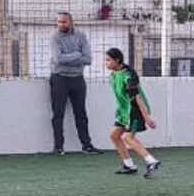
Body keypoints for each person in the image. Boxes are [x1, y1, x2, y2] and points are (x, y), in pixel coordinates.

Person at [47, 12, 101, 155]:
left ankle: (87, 145)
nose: (61, 25)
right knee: (58, 113)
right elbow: (58, 59)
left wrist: (70, 58)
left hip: (77, 79)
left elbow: (88, 59)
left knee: (81, 113)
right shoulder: (55, 37)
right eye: (59, 22)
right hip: (59, 78)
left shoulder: (81, 36)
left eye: (64, 22)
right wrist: (77, 55)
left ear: (71, 22)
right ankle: (58, 147)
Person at [105, 48, 161, 178]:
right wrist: (120, 110)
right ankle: (129, 165)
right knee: (114, 135)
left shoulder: (128, 77)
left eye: (108, 60)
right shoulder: (113, 75)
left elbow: (137, 98)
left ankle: (152, 161)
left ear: (117, 60)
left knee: (127, 137)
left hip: (135, 110)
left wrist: (146, 118)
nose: (106, 63)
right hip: (124, 111)